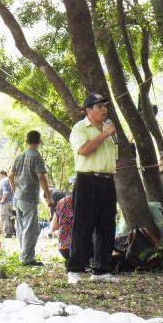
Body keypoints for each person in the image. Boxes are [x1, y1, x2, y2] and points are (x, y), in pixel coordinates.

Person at [67, 93, 119, 284]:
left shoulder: (108, 128)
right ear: (88, 110)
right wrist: (104, 134)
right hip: (87, 180)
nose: (104, 109)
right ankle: (74, 269)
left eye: (105, 106)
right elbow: (84, 150)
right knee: (83, 226)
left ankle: (101, 270)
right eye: (99, 106)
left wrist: (107, 133)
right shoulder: (80, 128)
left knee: (107, 226)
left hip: (107, 181)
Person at [9, 130, 53, 266]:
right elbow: (41, 177)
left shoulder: (19, 156)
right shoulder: (36, 157)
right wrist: (48, 197)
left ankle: (24, 254)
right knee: (30, 229)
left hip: (18, 197)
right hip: (29, 197)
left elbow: (10, 175)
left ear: (26, 141)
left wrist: (15, 190)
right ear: (39, 141)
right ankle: (27, 258)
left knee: (21, 227)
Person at [49, 175, 76, 261]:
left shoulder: (62, 202)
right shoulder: (91, 202)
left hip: (65, 249)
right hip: (86, 249)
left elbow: (54, 226)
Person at [0, 170, 15, 238]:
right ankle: (12, 232)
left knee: (4, 218)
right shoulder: (10, 180)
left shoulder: (4, 181)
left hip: (5, 203)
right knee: (10, 218)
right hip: (11, 202)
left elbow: (5, 192)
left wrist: (2, 201)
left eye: (0, 176)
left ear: (4, 175)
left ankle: (8, 234)